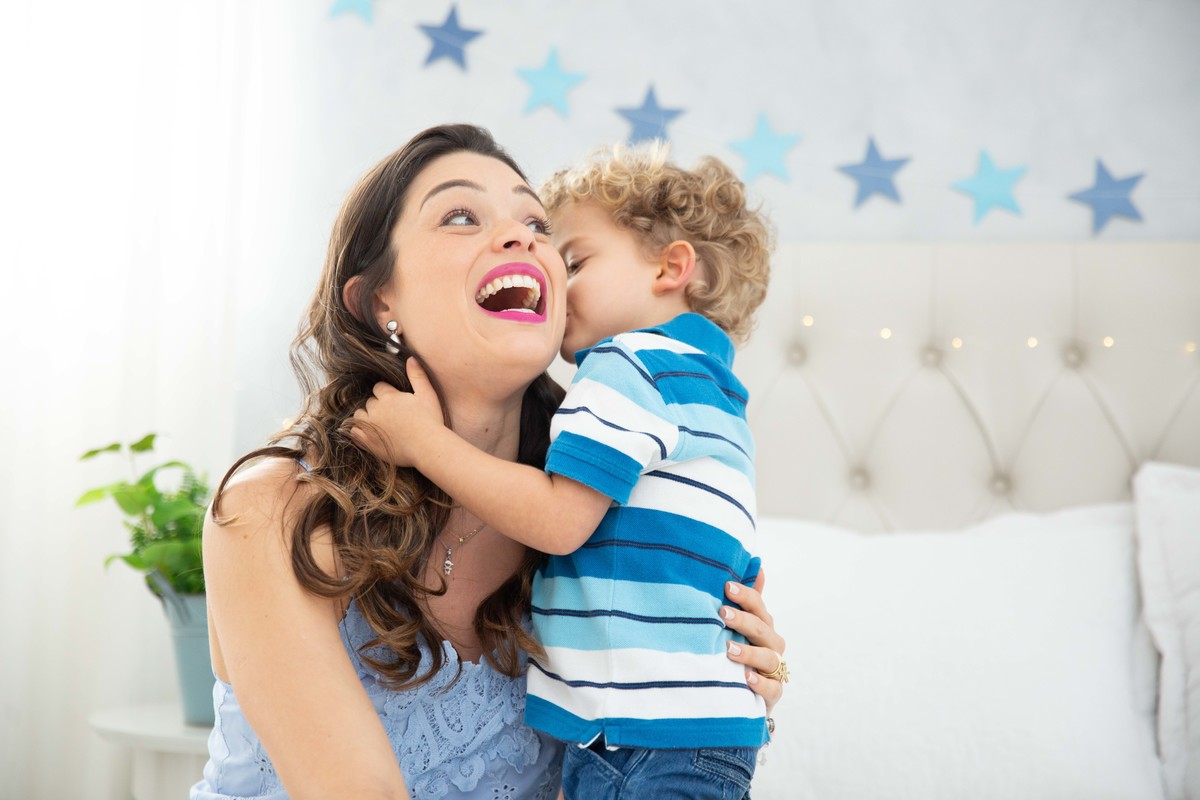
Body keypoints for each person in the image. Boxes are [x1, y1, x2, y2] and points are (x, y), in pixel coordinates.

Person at [193, 124, 786, 800]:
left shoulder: (600, 517)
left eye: (537, 223)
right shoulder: (272, 507)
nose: (523, 238)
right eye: (460, 215)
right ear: (378, 299)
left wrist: (718, 682)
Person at [351, 143, 777, 799]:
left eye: (572, 258)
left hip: (645, 741)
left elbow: (556, 520)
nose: (544, 262)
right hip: (692, 736)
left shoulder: (628, 367)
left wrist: (423, 442)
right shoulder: (711, 391)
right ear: (379, 300)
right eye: (463, 217)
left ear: (671, 268)